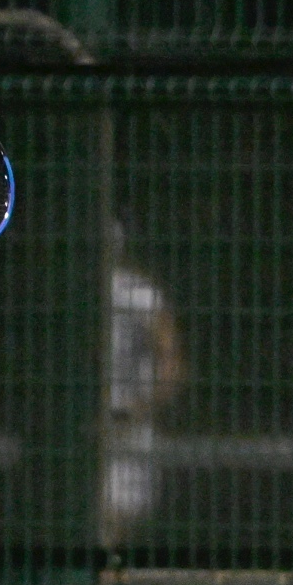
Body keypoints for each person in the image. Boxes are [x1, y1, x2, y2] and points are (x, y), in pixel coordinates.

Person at [101, 219, 185, 552]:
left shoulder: (137, 293)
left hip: (127, 423)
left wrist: (142, 406)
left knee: (121, 511)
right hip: (83, 424)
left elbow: (170, 359)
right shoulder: (69, 293)